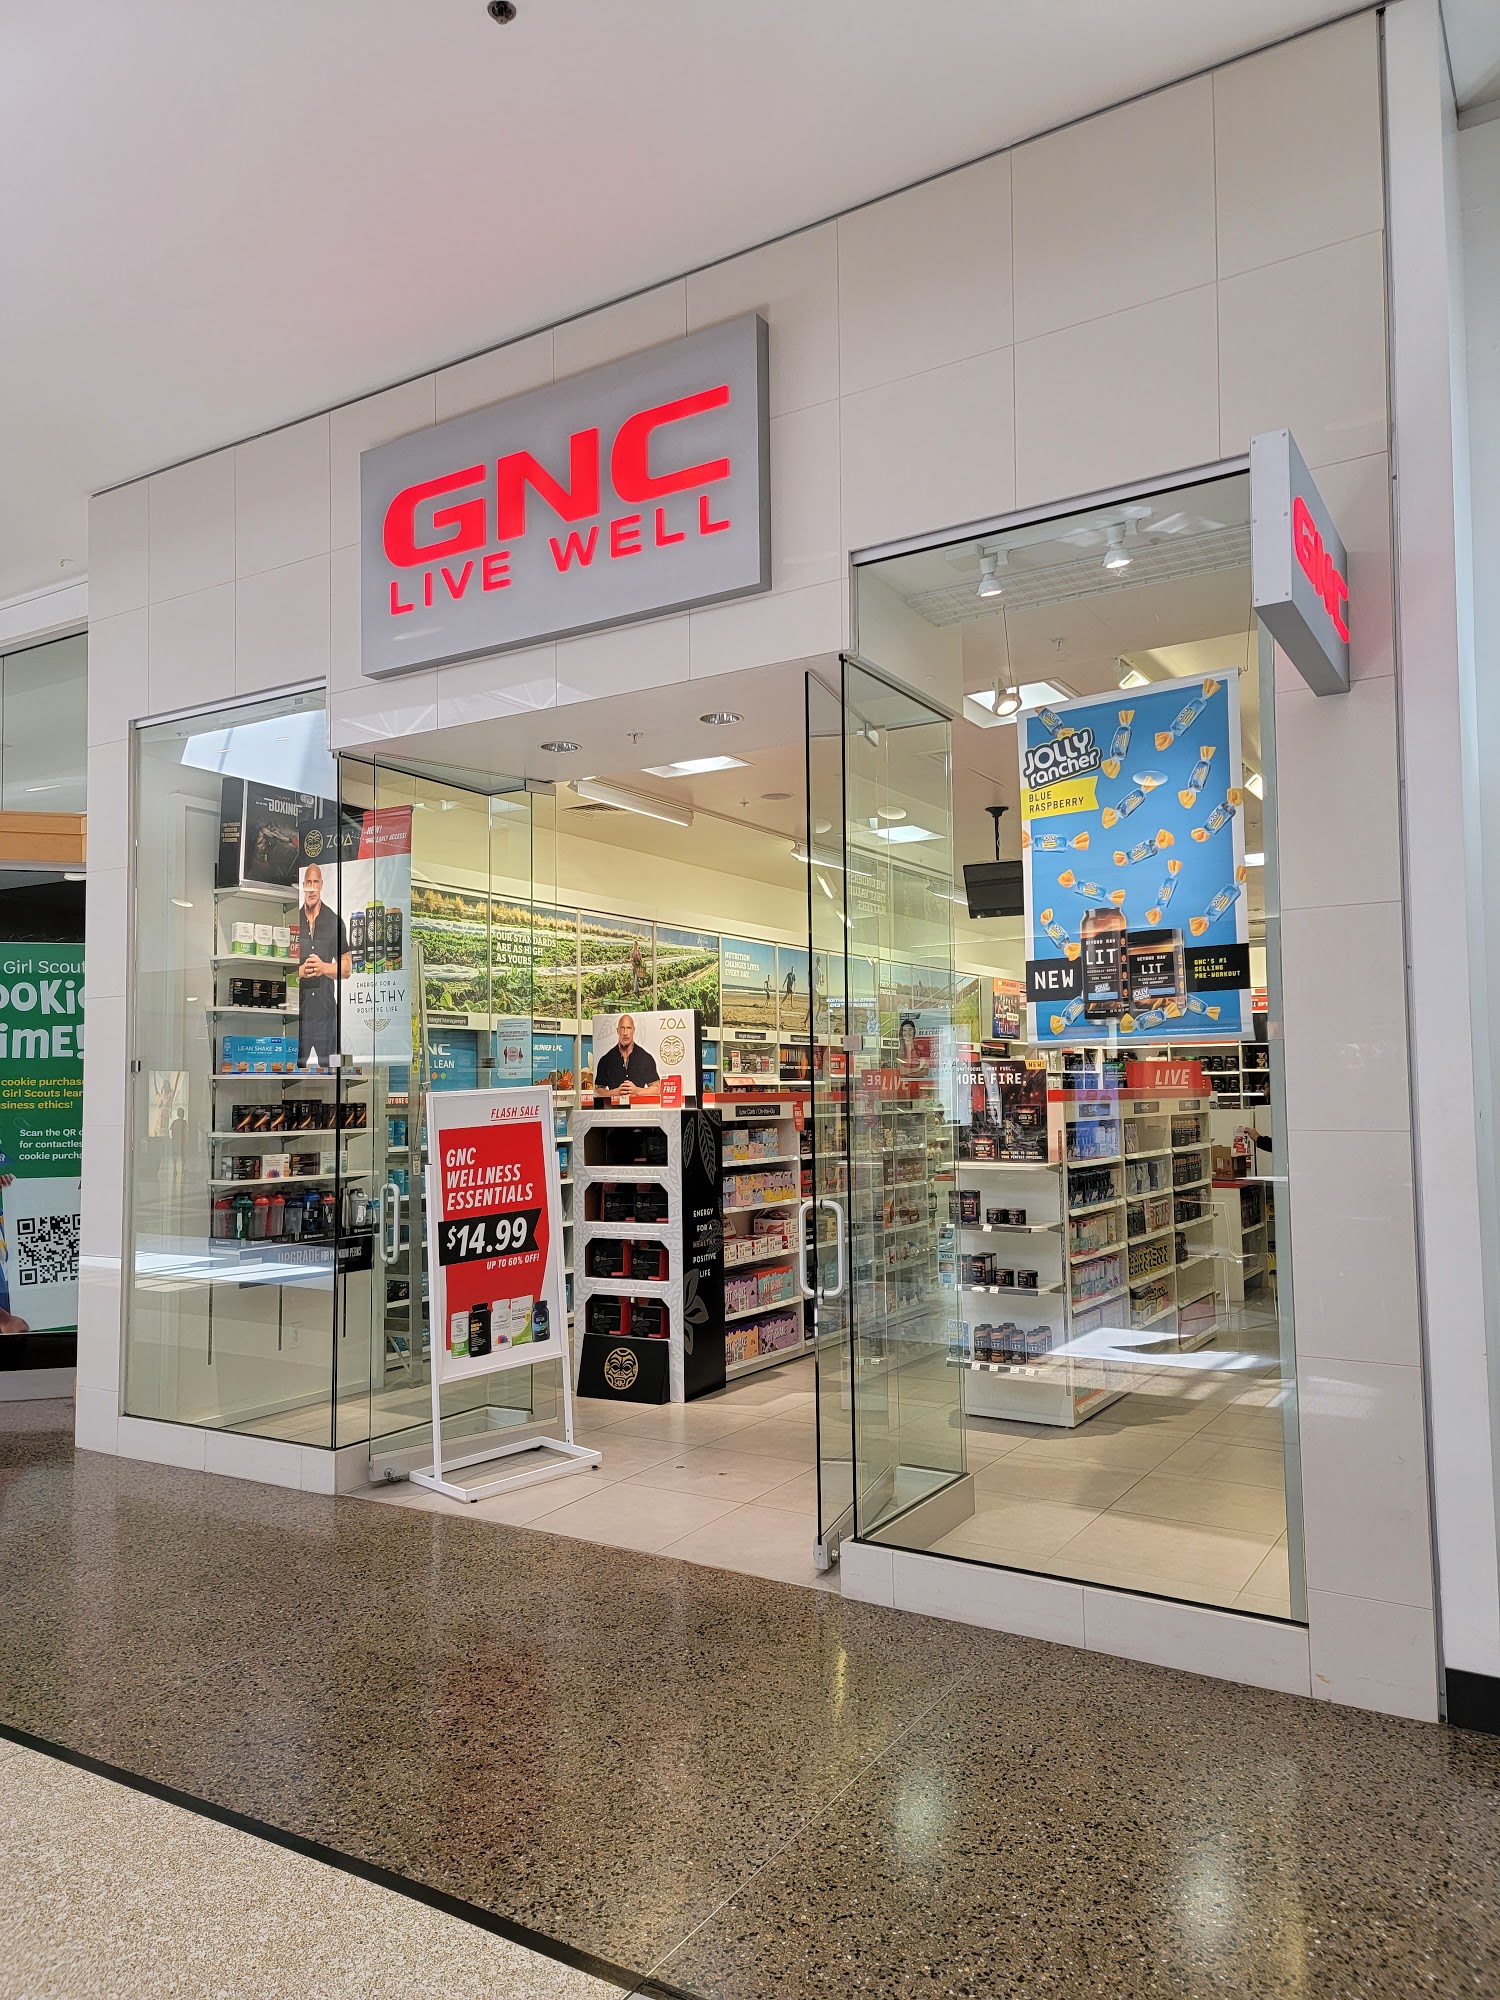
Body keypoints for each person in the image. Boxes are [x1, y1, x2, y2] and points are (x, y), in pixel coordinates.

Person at [296, 863, 351, 1069]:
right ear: (303, 885)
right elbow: (277, 970)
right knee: (291, 1072)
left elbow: (347, 968)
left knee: (331, 1073)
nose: (311, 888)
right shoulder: (292, 919)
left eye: (315, 883)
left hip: (326, 1016)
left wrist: (324, 968)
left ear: (321, 885)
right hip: (297, 1017)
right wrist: (300, 972)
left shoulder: (334, 921)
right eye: (308, 883)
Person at [593, 1014, 659, 1091]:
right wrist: (616, 1092)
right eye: (622, 1028)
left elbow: (656, 1088)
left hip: (638, 1098)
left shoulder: (646, 1058)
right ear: (617, 1031)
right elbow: (598, 1091)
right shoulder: (606, 1060)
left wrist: (637, 1091)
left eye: (628, 1028)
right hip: (613, 1099)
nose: (625, 1033)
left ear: (634, 1030)